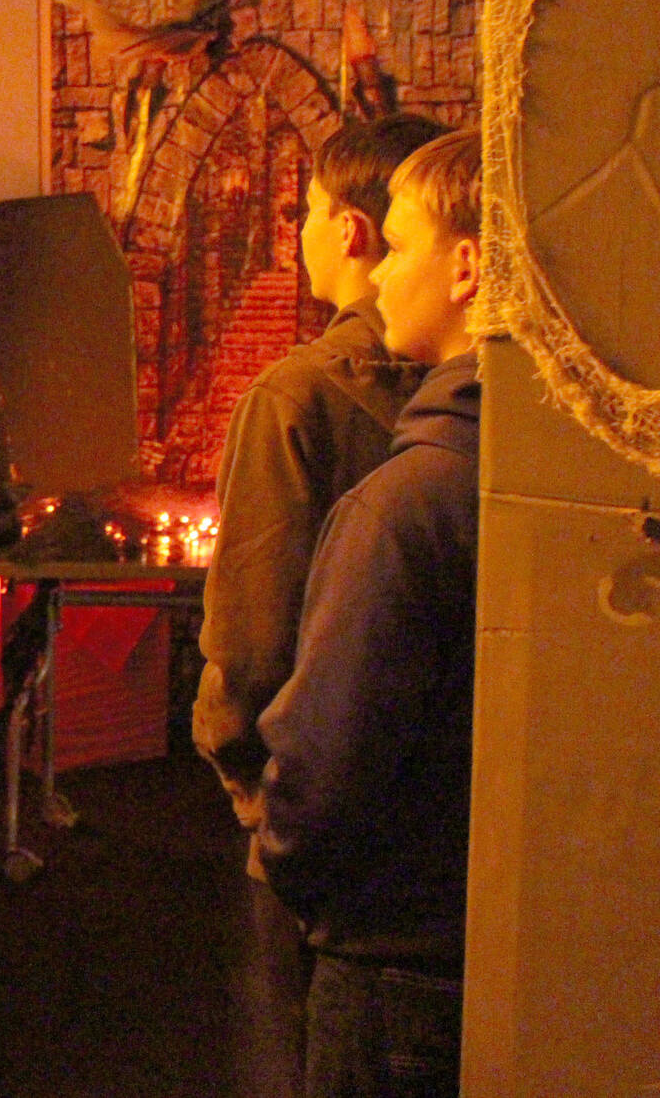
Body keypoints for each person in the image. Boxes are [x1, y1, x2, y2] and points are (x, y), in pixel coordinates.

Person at [191, 114, 445, 1090]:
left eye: (302, 212)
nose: (294, 233)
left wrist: (247, 782)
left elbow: (248, 640)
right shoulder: (477, 392)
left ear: (348, 230)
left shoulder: (292, 397)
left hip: (308, 805)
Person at [257, 130, 484, 1098]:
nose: (378, 276)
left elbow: (324, 759)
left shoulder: (408, 504)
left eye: (399, 248)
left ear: (466, 267)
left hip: (389, 960)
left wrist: (279, 854)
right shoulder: (515, 466)